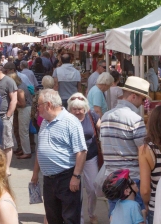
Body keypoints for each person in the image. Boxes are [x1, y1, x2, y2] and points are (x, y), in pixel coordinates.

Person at [30, 89, 87, 224]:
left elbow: (81, 151)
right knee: (52, 218)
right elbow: (41, 149)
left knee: (69, 219)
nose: (37, 108)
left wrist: (76, 176)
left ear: (48, 104)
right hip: (49, 180)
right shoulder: (44, 122)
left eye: (39, 105)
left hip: (66, 178)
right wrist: (35, 173)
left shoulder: (70, 122)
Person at [100, 76, 150, 215]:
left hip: (111, 178)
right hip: (131, 179)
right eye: (142, 99)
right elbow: (143, 151)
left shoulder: (105, 117)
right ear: (134, 96)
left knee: (116, 217)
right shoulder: (135, 120)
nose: (142, 103)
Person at [66, 93, 101, 224]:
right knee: (76, 190)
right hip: (72, 159)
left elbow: (102, 128)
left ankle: (92, 213)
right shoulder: (66, 119)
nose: (77, 112)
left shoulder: (92, 116)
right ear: (70, 109)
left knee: (93, 188)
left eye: (80, 109)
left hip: (90, 157)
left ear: (85, 108)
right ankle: (79, 219)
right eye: (74, 109)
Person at [0, 64, 18, 176]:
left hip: (4, 116)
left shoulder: (9, 81)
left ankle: (7, 168)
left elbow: (14, 99)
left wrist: (8, 115)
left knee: (7, 142)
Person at [7, 73, 34, 160]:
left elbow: (22, 104)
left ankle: (27, 152)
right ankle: (24, 150)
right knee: (22, 131)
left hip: (25, 110)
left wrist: (13, 101)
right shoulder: (21, 86)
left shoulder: (20, 89)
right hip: (25, 109)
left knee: (23, 132)